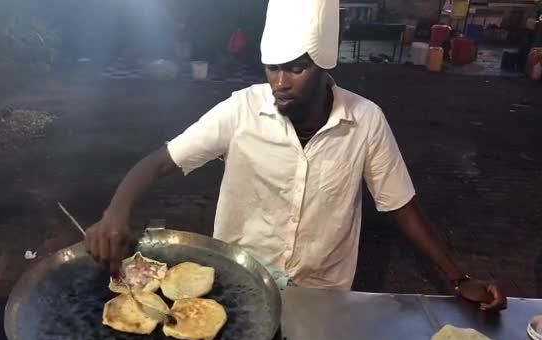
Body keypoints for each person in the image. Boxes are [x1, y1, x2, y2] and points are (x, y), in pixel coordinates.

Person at [85, 0, 507, 311]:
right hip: (240, 284)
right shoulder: (242, 110)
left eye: (296, 68)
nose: (280, 82)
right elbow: (159, 161)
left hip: (322, 296)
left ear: (324, 66)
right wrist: (115, 212)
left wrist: (458, 279)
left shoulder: (366, 121)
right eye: (272, 67)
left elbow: (400, 205)